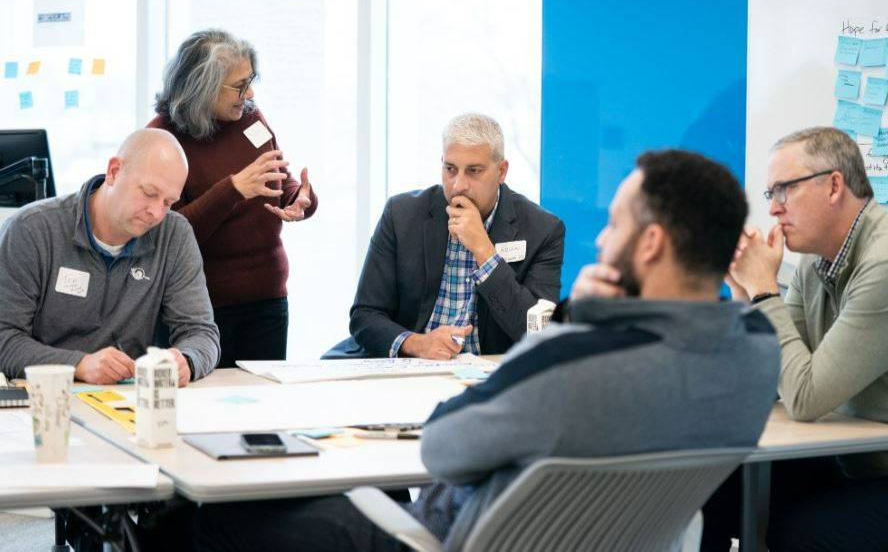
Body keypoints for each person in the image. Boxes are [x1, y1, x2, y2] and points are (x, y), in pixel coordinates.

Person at [193, 149, 780, 552]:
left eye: (615, 225)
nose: (602, 238)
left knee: (200, 525)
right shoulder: (755, 353)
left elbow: (445, 447)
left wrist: (582, 324)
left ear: (650, 244)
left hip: (443, 541)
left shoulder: (577, 361)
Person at [702, 126, 888, 552]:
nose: (772, 209)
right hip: (846, 460)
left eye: (783, 190)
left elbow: (804, 395)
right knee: (709, 485)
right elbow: (767, 380)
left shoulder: (885, 264)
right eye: (771, 193)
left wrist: (765, 290)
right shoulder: (814, 262)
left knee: (800, 532)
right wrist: (742, 294)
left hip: (882, 471)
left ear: (834, 186)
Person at [148, 29, 318, 367]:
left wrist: (299, 199)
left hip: (267, 296)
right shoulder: (161, 138)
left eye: (250, 80)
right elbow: (166, 234)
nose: (250, 93)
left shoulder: (250, 117)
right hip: (198, 311)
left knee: (262, 407)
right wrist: (232, 190)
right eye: (239, 86)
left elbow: (278, 182)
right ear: (203, 85)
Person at [0, 127, 219, 384]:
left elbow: (201, 333)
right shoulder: (30, 230)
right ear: (114, 172)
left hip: (128, 403)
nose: (157, 213)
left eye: (168, 202)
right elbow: (5, 338)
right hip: (47, 397)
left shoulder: (174, 235)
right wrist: (79, 365)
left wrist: (187, 360)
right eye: (149, 194)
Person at [344, 112, 565, 359]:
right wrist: (418, 344)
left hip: (488, 373)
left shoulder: (543, 230)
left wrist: (484, 250)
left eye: (474, 171)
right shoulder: (402, 215)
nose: (458, 185)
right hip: (412, 364)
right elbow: (365, 315)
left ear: (501, 171)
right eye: (450, 169)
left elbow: (536, 334)